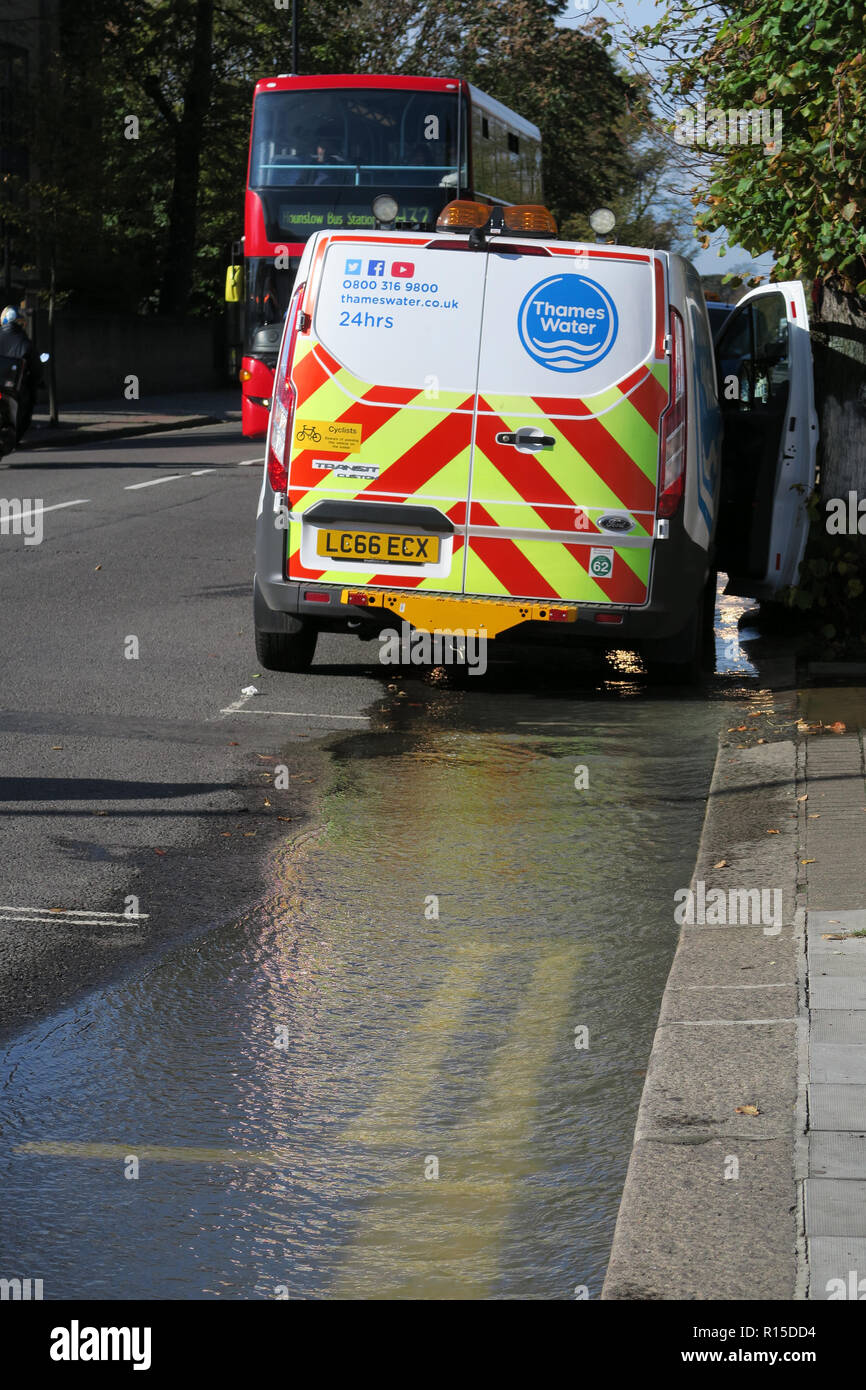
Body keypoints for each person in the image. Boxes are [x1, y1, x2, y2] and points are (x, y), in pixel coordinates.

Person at [0, 306, 36, 438]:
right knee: (27, 402)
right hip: (14, 386)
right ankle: (17, 434)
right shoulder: (25, 342)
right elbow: (35, 367)